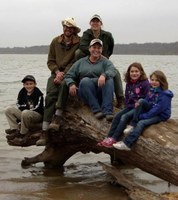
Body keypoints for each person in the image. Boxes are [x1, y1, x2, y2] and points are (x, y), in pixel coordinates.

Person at [36, 17, 81, 146]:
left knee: (63, 85)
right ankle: (44, 132)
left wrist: (64, 74)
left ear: (74, 30)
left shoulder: (79, 42)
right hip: (55, 73)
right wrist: (57, 72)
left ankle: (58, 116)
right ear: (63, 28)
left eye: (70, 27)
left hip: (70, 72)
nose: (68, 29)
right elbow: (50, 61)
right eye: (66, 26)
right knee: (50, 96)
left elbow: (75, 61)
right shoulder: (55, 41)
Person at [113, 70, 174, 150]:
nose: (154, 82)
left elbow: (157, 110)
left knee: (141, 123)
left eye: (157, 80)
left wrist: (142, 116)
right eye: (152, 80)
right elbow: (146, 101)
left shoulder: (165, 95)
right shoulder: (152, 90)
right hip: (152, 109)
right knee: (141, 101)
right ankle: (132, 125)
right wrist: (139, 103)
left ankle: (127, 144)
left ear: (162, 81)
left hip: (161, 115)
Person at [75, 14, 124, 107]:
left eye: (97, 21)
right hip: (89, 58)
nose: (95, 23)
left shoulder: (107, 35)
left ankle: (120, 99)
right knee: (78, 53)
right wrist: (93, 53)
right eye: (93, 21)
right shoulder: (86, 33)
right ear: (90, 23)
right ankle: (79, 83)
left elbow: (110, 48)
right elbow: (82, 46)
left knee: (116, 72)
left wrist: (101, 56)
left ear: (101, 23)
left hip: (102, 58)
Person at [98, 62, 150, 148]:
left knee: (124, 117)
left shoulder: (145, 83)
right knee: (117, 116)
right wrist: (125, 106)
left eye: (136, 71)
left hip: (139, 108)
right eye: (132, 71)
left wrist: (139, 106)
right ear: (129, 73)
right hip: (130, 106)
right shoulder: (129, 83)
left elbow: (148, 97)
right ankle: (108, 137)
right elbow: (127, 96)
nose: (134, 73)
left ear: (141, 72)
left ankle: (114, 139)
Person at [65, 38, 117, 121]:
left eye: (99, 48)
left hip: (100, 92)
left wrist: (104, 75)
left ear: (102, 50)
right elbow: (68, 75)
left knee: (109, 80)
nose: (96, 50)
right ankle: (96, 110)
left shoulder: (105, 62)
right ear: (89, 49)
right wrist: (71, 84)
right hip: (86, 93)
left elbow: (113, 70)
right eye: (94, 47)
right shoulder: (81, 62)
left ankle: (108, 111)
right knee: (85, 80)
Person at [5, 75, 44, 140]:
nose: (29, 86)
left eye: (31, 84)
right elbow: (18, 104)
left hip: (37, 115)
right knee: (8, 110)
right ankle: (14, 130)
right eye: (27, 84)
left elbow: (38, 107)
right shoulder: (22, 92)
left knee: (25, 112)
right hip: (25, 114)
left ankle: (23, 133)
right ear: (24, 85)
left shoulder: (38, 93)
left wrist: (26, 108)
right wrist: (25, 108)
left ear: (35, 84)